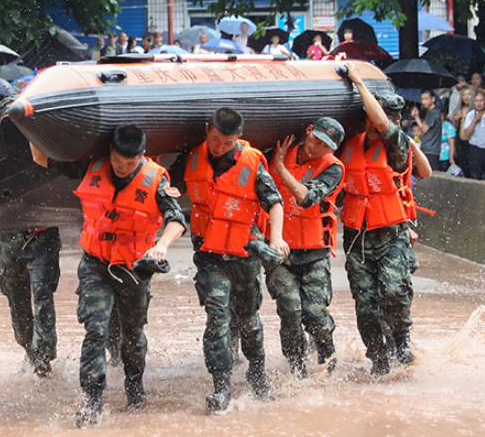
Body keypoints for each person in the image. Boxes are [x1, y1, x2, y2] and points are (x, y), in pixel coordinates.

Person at [31, 125, 186, 427]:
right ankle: (91, 401)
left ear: (142, 156)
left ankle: (134, 388)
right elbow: (41, 158)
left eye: (130, 164)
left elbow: (176, 220)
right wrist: (29, 126)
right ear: (110, 153)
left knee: (133, 335)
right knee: (95, 331)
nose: (123, 168)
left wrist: (162, 246)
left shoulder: (155, 180)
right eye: (118, 161)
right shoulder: (93, 166)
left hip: (134, 269)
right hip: (95, 264)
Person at [175, 108, 288, 412]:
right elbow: (167, 189)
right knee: (216, 319)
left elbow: (274, 202)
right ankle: (221, 386)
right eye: (215, 140)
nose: (219, 147)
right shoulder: (192, 157)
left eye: (227, 142)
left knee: (249, 321)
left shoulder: (252, 163)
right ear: (207, 129)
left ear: (238, 138)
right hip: (209, 256)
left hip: (245, 253)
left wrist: (276, 238)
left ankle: (257, 374)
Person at [340, 64, 417, 376]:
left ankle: (401, 338)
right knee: (367, 306)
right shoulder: (349, 143)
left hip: (391, 234)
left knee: (393, 290)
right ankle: (379, 359)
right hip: (357, 236)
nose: (375, 124)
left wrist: (358, 81)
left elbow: (384, 124)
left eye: (382, 120)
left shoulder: (396, 145)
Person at [268, 118, 346, 378]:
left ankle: (328, 364)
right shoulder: (280, 149)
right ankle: (296, 369)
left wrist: (280, 167)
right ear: (308, 132)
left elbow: (305, 198)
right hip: (281, 252)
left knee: (315, 315)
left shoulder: (333, 168)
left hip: (314, 253)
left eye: (325, 146)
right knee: (290, 310)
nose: (317, 148)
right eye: (316, 140)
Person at [0, 227, 62, 377]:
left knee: (43, 295)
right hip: (8, 239)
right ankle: (30, 350)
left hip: (43, 237)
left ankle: (43, 358)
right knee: (17, 303)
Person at [411, 90, 442, 170]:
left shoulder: (433, 112)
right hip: (431, 148)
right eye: (422, 99)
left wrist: (416, 118)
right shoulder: (433, 111)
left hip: (430, 148)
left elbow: (424, 129)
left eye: (426, 99)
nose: (423, 101)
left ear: (433, 99)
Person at [463, 91, 485, 180]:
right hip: (474, 148)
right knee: (475, 175)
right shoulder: (470, 115)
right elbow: (466, 133)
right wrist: (474, 120)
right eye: (476, 101)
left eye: (481, 101)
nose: (479, 103)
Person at [454, 87, 476, 176]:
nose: (466, 97)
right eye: (464, 95)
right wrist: (456, 120)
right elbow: (455, 128)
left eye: (469, 94)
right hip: (460, 141)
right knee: (461, 162)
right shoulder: (459, 109)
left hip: (472, 141)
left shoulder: (475, 111)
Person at [439, 108, 457, 172]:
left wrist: (451, 158)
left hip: (445, 155)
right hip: (435, 154)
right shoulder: (434, 125)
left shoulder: (448, 126)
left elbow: (452, 143)